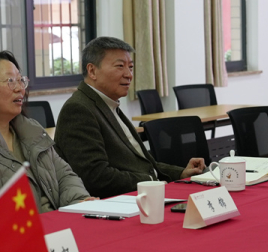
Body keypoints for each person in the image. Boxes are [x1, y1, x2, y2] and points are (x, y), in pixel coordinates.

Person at [54, 36, 206, 198]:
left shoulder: (109, 105)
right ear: (92, 71)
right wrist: (151, 181)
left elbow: (141, 164)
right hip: (118, 203)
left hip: (141, 194)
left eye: (131, 67)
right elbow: (95, 177)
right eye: (120, 66)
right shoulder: (78, 109)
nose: (129, 74)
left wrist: (181, 173)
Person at [0, 51, 91, 211]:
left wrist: (80, 202)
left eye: (21, 80)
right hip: (20, 226)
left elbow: (64, 176)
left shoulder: (31, 130)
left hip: (56, 220)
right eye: (10, 81)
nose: (20, 89)